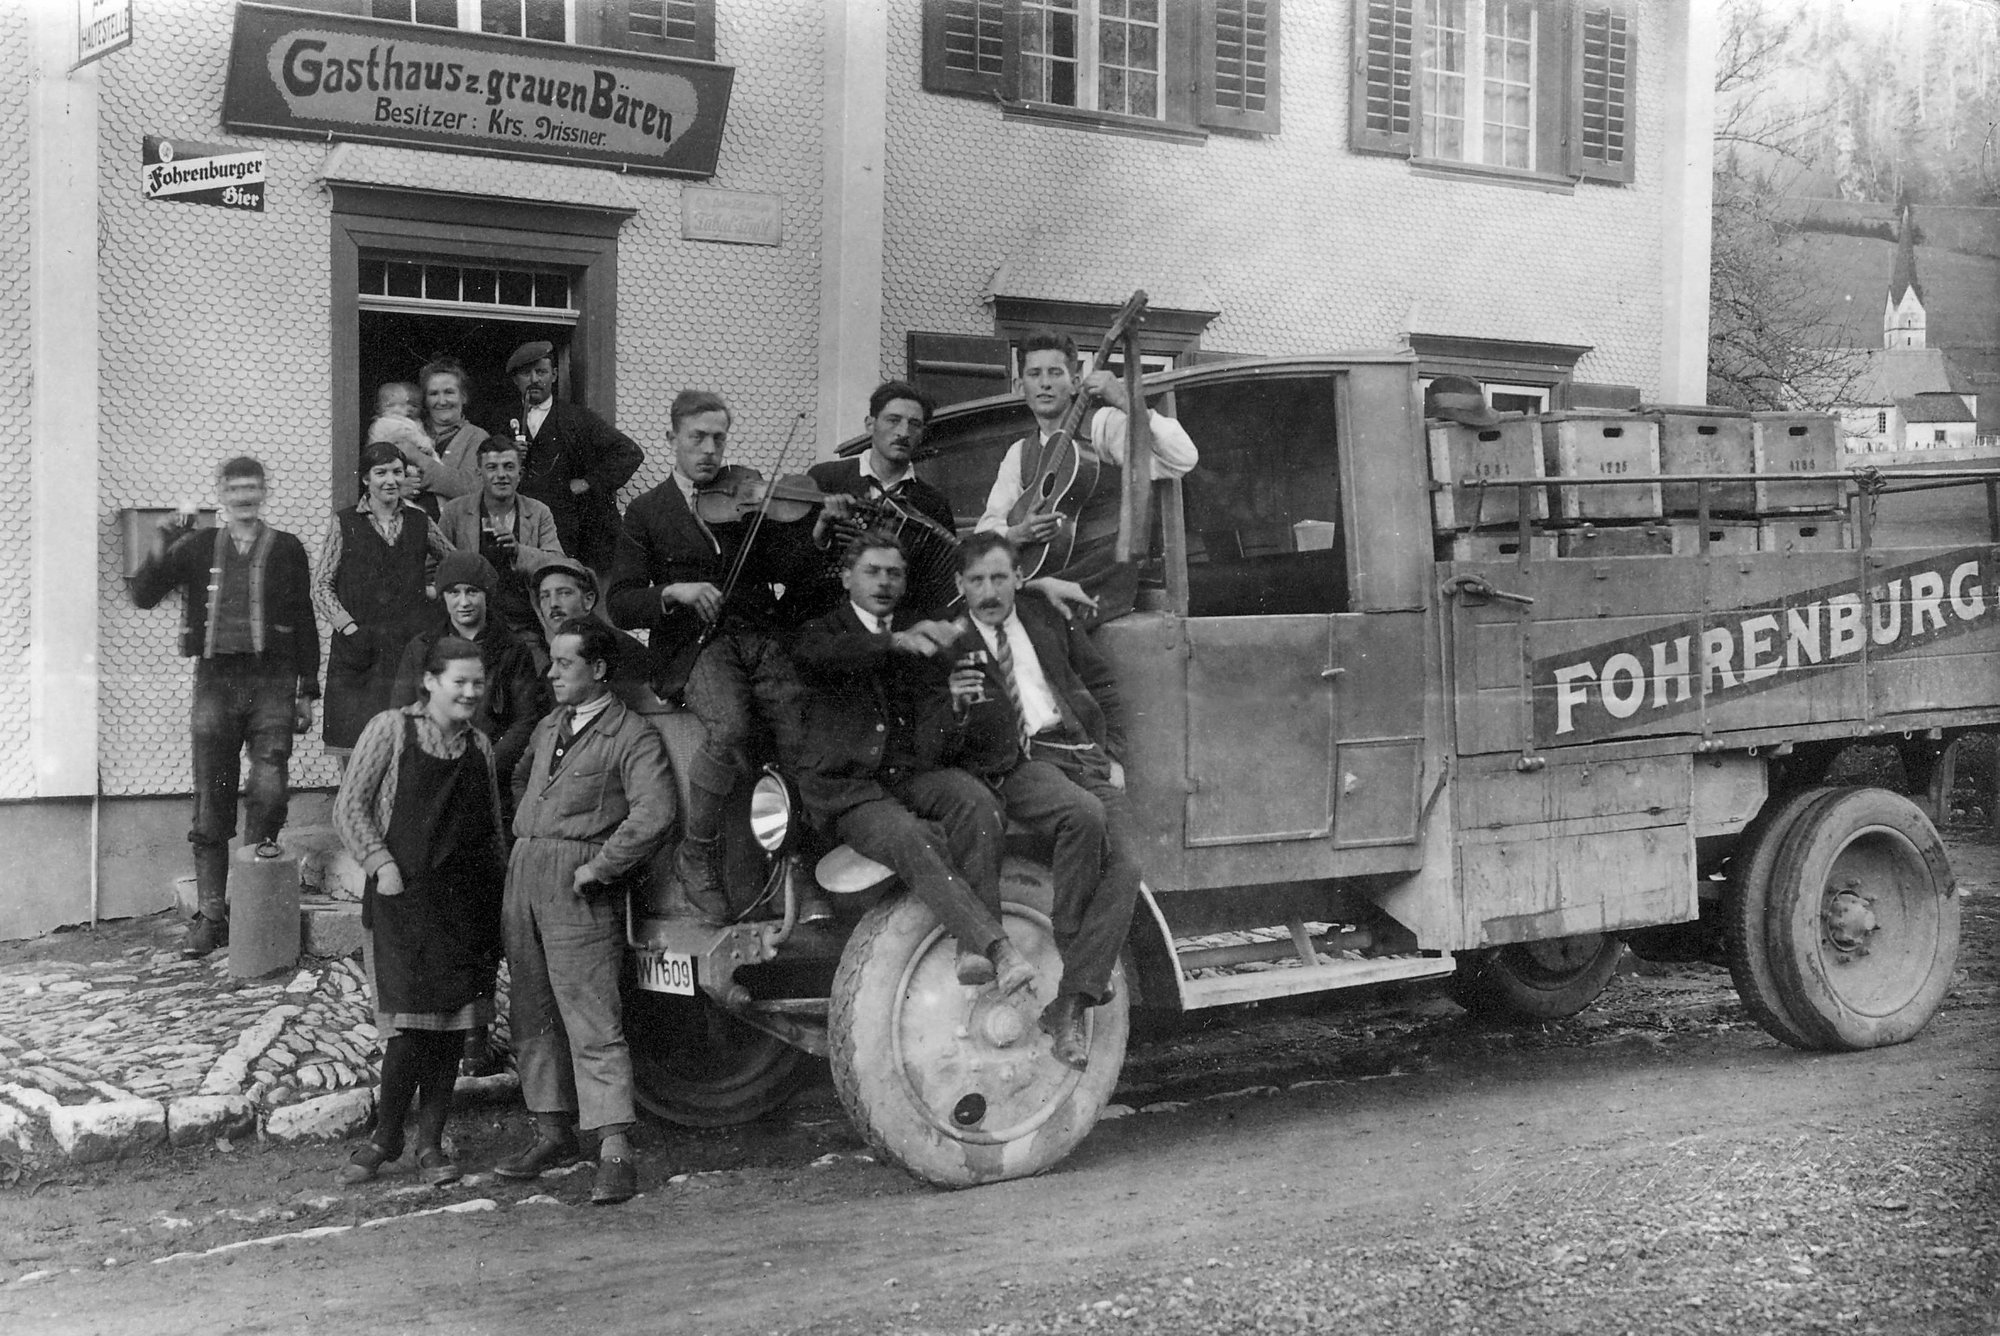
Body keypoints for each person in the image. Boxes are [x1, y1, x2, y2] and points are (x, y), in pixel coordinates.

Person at [605, 389, 820, 922]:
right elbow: (622, 603)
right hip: (693, 647)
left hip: (757, 637)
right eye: (697, 437)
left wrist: (814, 532)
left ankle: (799, 860)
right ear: (672, 438)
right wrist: (673, 592)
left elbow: (791, 570)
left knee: (802, 731)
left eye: (718, 438)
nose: (709, 450)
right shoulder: (647, 511)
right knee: (730, 726)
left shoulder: (746, 499)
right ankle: (696, 854)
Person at [790, 530, 1035, 992]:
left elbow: (930, 741)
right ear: (846, 578)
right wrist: (894, 642)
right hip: (848, 790)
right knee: (910, 836)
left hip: (906, 776)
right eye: (872, 572)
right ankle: (995, 947)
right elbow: (818, 658)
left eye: (895, 574)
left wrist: (954, 707)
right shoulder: (823, 632)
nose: (884, 582)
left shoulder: (920, 633)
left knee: (977, 802)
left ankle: (971, 951)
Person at [496, 618, 674, 1206]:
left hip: (579, 885)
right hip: (526, 874)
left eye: (563, 663)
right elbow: (520, 780)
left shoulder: (633, 735)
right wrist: (529, 839)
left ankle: (615, 1149)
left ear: (598, 669)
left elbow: (653, 812)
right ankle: (552, 1132)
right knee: (531, 1011)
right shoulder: (550, 725)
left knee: (592, 1015)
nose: (551, 674)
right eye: (551, 662)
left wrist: (600, 867)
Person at [950, 532, 1140, 1069]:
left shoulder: (1044, 616)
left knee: (1128, 865)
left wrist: (1114, 754)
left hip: (1080, 751)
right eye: (977, 580)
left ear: (1019, 578)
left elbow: (1101, 684)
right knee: (1084, 815)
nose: (990, 591)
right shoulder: (950, 640)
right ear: (960, 584)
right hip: (1020, 762)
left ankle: (1069, 1005)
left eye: (1000, 578)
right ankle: (1074, 943)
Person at [332, 636, 507, 1188]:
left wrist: (498, 896)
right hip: (402, 902)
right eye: (459, 681)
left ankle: (431, 1142)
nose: (470, 692)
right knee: (408, 1028)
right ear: (430, 682)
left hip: (465, 906)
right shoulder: (391, 729)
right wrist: (380, 863)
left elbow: (493, 827)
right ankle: (386, 1138)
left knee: (452, 1029)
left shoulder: (480, 745)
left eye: (478, 682)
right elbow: (349, 807)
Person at [129, 457, 319, 959]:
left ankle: (250, 902)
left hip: (273, 679)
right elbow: (144, 595)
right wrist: (162, 543)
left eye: (252, 487)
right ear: (221, 493)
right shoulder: (197, 546)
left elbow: (303, 617)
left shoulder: (288, 548)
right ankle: (212, 916)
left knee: (270, 789)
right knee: (212, 794)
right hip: (215, 681)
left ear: (264, 491)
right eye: (235, 488)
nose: (244, 496)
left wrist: (308, 688)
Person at [977, 330, 1199, 624]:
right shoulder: (1019, 453)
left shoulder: (1102, 427)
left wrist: (1126, 401)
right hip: (1044, 580)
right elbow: (985, 529)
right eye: (1034, 374)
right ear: (1020, 386)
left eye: (1055, 373)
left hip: (1101, 579)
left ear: (1075, 382)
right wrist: (1018, 534)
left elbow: (1183, 457)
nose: (1045, 383)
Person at [315, 440, 456, 756]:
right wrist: (348, 628)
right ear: (366, 478)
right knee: (355, 746)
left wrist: (434, 594)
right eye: (381, 473)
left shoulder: (420, 521)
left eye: (397, 472)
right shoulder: (344, 522)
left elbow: (456, 565)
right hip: (358, 651)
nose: (390, 480)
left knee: (407, 742)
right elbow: (321, 586)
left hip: (407, 648)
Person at [389, 551, 548, 802]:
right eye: (454, 592)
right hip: (433, 771)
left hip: (492, 772)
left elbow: (525, 721)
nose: (463, 602)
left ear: (487, 594)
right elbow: (402, 713)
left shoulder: (513, 649)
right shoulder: (421, 648)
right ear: (443, 596)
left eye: (472, 592)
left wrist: (485, 764)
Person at [802, 380, 961, 620]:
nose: (903, 433)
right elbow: (789, 570)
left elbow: (939, 586)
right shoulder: (826, 478)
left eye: (914, 424)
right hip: (822, 618)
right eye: (893, 420)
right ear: (870, 424)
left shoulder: (932, 503)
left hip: (895, 625)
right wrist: (820, 536)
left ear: (922, 434)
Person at [501, 340, 643, 573]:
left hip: (572, 530)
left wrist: (589, 482)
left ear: (555, 375)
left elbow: (629, 452)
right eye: (526, 373)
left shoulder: (577, 418)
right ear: (516, 380)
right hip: (523, 529)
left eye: (541, 372)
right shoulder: (500, 422)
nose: (534, 379)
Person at [438, 436, 567, 645]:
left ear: (520, 474)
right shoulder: (455, 512)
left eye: (509, 467)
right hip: (468, 629)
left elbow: (558, 565)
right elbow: (434, 568)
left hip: (524, 628)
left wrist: (518, 551)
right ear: (479, 473)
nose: (501, 475)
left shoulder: (538, 512)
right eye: (492, 468)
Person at [533, 560, 650, 694]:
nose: (553, 604)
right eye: (544, 596)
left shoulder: (623, 651)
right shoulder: (550, 667)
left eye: (564, 593)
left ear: (588, 600)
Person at [416, 357, 489, 502]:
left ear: (464, 397)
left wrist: (416, 457)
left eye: (449, 392)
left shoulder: (477, 437)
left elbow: (472, 487)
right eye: (433, 394)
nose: (442, 401)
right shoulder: (411, 431)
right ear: (425, 400)